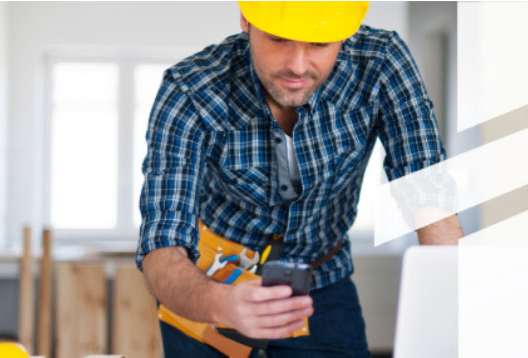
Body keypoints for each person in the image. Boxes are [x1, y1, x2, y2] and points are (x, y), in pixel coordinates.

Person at [137, 2, 462, 357]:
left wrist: (455, 314)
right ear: (246, 19)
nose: (297, 65)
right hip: (212, 279)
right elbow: (161, 243)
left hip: (321, 279)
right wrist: (220, 302)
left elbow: (426, 189)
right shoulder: (191, 87)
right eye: (278, 39)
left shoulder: (381, 62)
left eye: (320, 43)